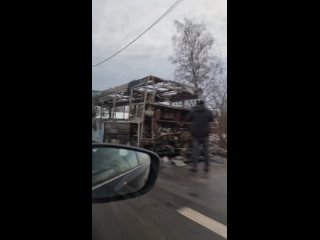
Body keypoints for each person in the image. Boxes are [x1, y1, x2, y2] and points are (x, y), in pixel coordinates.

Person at [186, 100, 214, 172]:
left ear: (197, 104)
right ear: (203, 104)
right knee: (206, 151)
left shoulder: (193, 111)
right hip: (205, 134)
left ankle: (194, 167)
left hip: (195, 135)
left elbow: (187, 118)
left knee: (195, 151)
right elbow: (212, 119)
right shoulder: (208, 111)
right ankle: (207, 167)